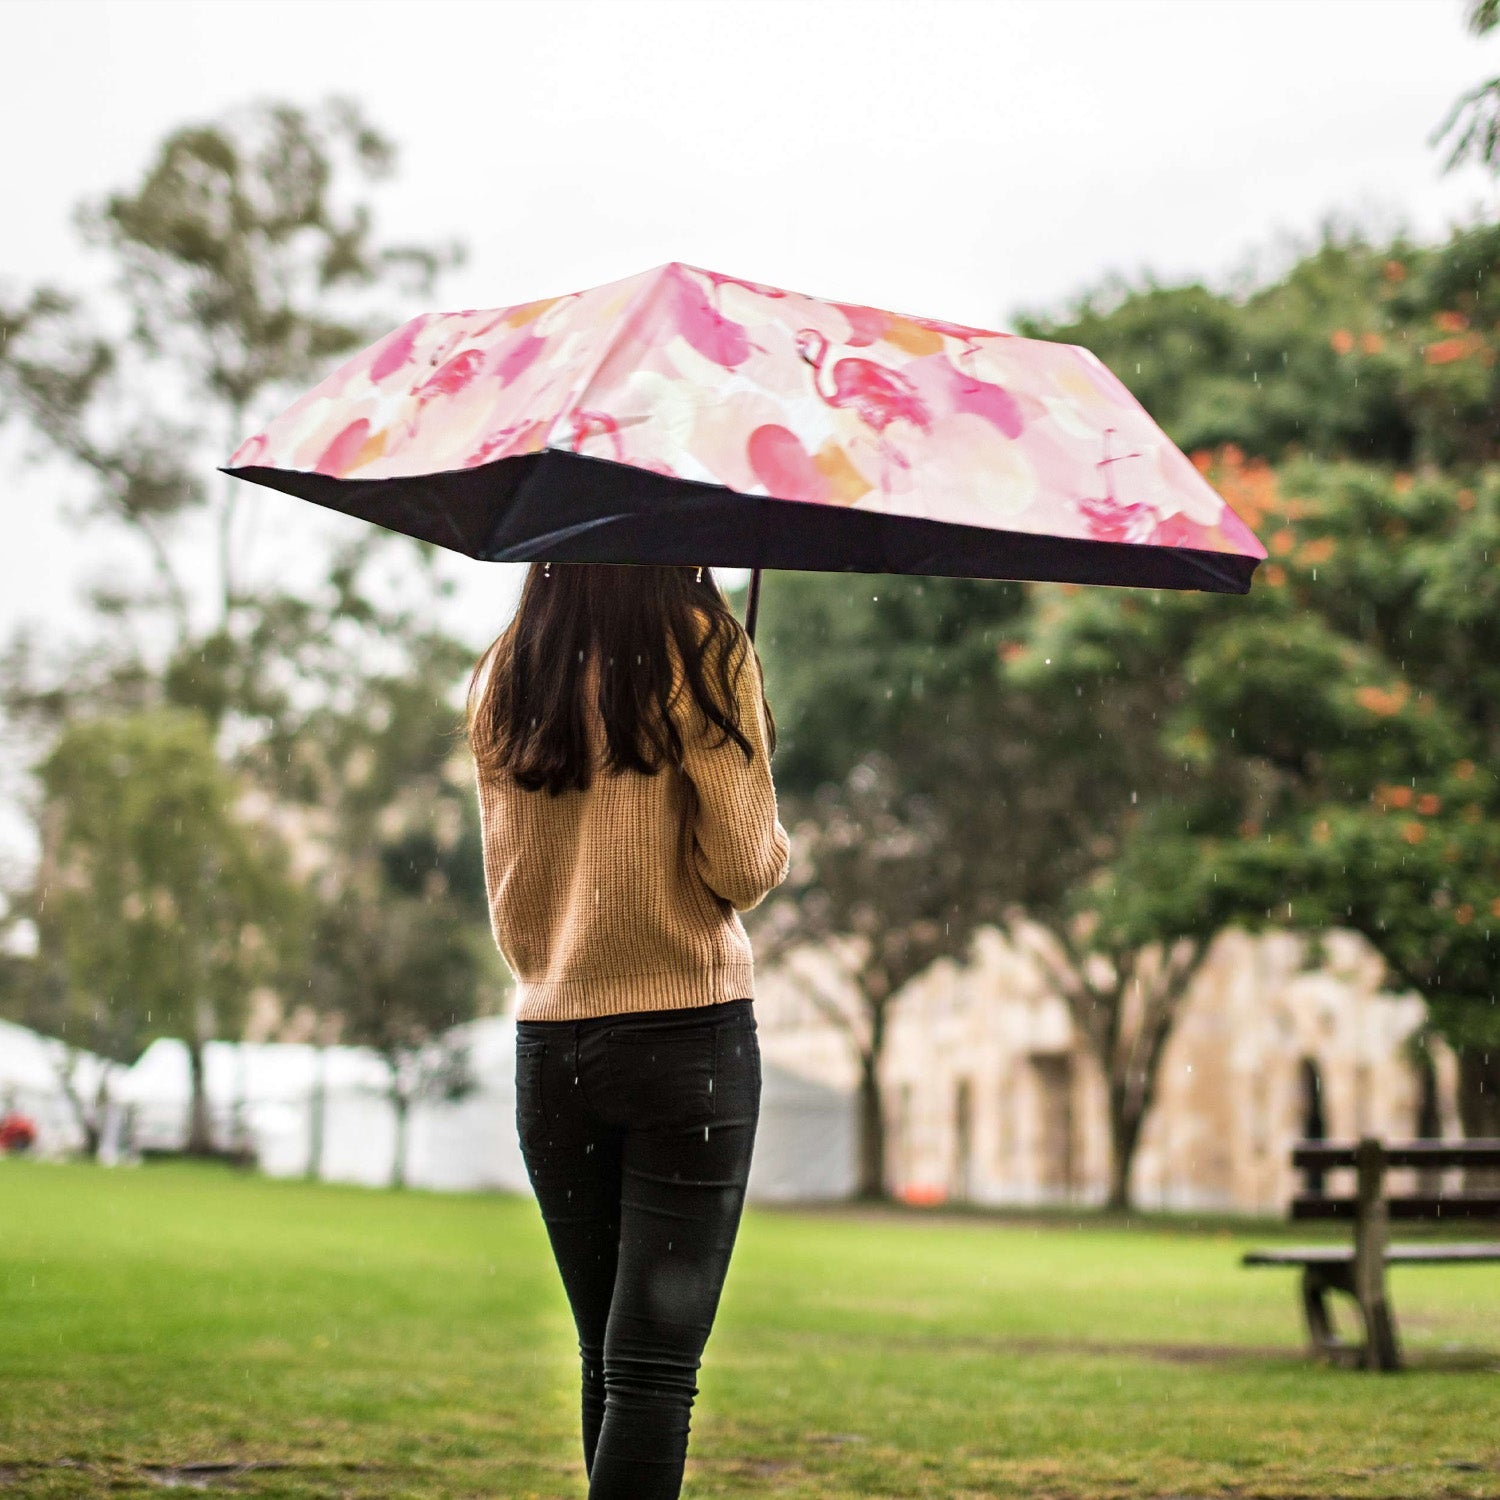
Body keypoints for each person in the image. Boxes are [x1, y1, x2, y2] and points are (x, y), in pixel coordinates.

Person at [467, 561, 790, 1499]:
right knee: (652, 1369)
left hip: (552, 1046)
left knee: (607, 1355)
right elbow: (742, 866)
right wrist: (764, 800)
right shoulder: (701, 645)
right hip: (687, 1037)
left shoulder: (507, 674)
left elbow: (512, 895)